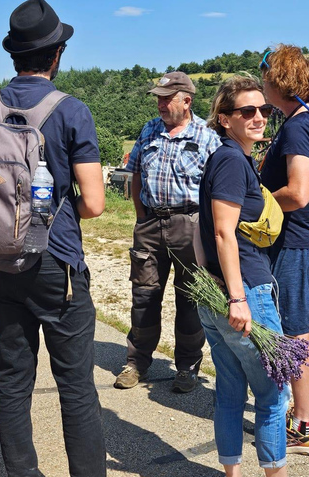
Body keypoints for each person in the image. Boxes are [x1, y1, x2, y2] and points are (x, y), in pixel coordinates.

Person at [0, 1, 139, 477]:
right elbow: (96, 203)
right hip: (56, 264)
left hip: (1, 263)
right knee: (76, 387)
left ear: (14, 55)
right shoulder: (71, 111)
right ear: (56, 53)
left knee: (12, 383)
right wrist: (57, 214)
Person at [198, 74, 309, 477]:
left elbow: (204, 237)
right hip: (244, 292)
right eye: (246, 111)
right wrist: (236, 296)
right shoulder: (233, 161)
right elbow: (221, 231)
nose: (259, 117)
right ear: (224, 118)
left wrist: (210, 284)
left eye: (264, 109)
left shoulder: (226, 158)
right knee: (273, 394)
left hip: (215, 293)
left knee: (231, 389)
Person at [114, 71, 220, 393]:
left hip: (190, 226)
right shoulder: (149, 130)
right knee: (144, 295)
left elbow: (218, 188)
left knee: (190, 298)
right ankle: (136, 362)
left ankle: (187, 366)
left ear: (186, 101)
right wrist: (140, 215)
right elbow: (134, 175)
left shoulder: (207, 136)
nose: (159, 104)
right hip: (149, 224)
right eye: (158, 98)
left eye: (166, 98)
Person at [259, 45, 309, 455]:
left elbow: (299, 192)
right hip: (308, 238)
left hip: (291, 241)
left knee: (293, 332)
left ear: (277, 82)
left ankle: (303, 427)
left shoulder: (296, 128)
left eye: (266, 77)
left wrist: (256, 204)